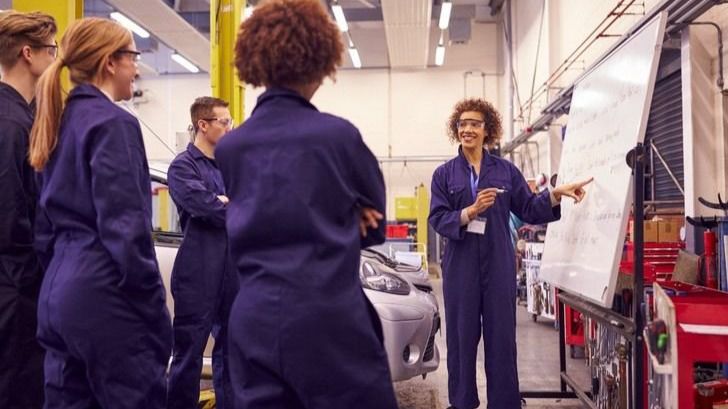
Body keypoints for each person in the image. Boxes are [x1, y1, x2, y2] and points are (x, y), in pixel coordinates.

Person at [215, 0, 398, 408]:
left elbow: (261, 207)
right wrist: (347, 214)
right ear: (319, 62)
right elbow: (377, 226)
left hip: (253, 318)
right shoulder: (338, 137)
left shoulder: (231, 147)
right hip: (327, 317)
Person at [29, 17, 172, 409]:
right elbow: (126, 228)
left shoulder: (55, 122)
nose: (137, 68)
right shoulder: (114, 123)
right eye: (134, 57)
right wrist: (152, 310)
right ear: (110, 62)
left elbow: (43, 231)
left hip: (59, 296)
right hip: (106, 298)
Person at [429, 98, 592, 409]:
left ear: (487, 129)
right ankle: (462, 402)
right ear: (456, 129)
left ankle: (504, 402)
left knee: (501, 337)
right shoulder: (444, 175)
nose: (467, 129)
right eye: (462, 124)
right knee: (461, 338)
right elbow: (437, 218)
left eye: (474, 123)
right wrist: (469, 211)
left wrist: (555, 195)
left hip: (498, 261)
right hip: (460, 264)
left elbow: (529, 207)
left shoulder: (505, 171)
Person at [0, 10, 57, 409]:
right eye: (51, 48)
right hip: (16, 286)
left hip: (17, 281)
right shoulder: (11, 123)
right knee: (18, 386)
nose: (55, 58)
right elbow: (11, 215)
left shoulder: (24, 117)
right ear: (28, 53)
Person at [167, 96, 236, 409]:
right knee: (189, 352)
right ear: (203, 125)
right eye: (224, 121)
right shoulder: (183, 167)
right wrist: (222, 203)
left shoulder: (230, 166)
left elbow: (250, 205)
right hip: (198, 271)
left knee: (232, 351)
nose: (229, 127)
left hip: (232, 271)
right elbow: (206, 208)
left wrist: (227, 202)